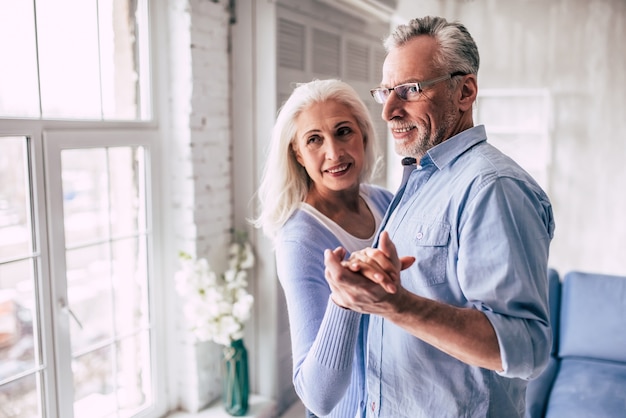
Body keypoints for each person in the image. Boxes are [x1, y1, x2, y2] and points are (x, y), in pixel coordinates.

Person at [323, 16, 556, 418]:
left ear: (465, 91)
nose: (389, 111)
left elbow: (528, 348)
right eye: (386, 93)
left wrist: (396, 305)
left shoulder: (492, 187)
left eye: (410, 91)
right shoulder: (419, 178)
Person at [254, 79, 393, 418]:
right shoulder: (300, 240)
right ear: (297, 153)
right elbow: (317, 397)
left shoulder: (385, 202)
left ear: (363, 134)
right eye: (314, 139)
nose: (334, 152)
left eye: (343, 132)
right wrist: (344, 300)